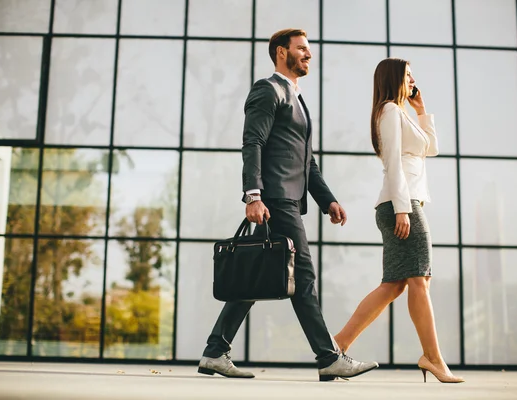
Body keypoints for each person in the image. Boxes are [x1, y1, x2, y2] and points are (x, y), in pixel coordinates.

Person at [197, 28, 378, 382]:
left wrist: (328, 201)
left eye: (308, 50)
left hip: (288, 198)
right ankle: (329, 357)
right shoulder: (269, 90)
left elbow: (307, 162)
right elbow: (253, 141)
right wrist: (253, 195)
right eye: (302, 49)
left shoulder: (297, 99)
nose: (309, 54)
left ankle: (215, 352)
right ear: (282, 53)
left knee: (258, 276)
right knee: (303, 276)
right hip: (276, 198)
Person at [332, 58, 464, 384]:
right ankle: (432, 357)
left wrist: (422, 109)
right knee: (418, 279)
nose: (413, 79)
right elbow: (392, 161)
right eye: (407, 75)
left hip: (402, 202)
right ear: (393, 79)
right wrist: (403, 209)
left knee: (395, 284)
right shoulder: (390, 110)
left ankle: (336, 345)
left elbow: (431, 149)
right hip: (400, 204)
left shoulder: (401, 112)